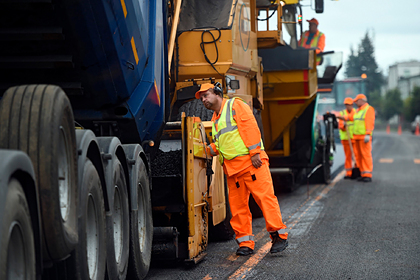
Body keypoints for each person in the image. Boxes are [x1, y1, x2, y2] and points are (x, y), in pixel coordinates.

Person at [195, 83, 288, 256]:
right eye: (201, 98)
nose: (203, 100)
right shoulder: (215, 119)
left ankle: (279, 236)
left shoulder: (235, 105)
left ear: (217, 93)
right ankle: (245, 243)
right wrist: (205, 150)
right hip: (233, 170)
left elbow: (251, 127)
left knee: (265, 200)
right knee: (238, 209)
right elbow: (222, 144)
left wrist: (254, 153)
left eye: (206, 95)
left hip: (252, 164)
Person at [338, 94, 375, 182]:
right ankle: (362, 173)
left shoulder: (368, 109)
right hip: (357, 137)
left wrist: (368, 133)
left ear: (361, 100)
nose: (355, 103)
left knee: (365, 155)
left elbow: (370, 122)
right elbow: (350, 118)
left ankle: (367, 174)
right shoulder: (358, 111)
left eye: (356, 101)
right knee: (359, 156)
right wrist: (340, 117)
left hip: (363, 137)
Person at [338, 97, 357, 179]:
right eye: (346, 105)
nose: (347, 106)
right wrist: (343, 126)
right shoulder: (342, 113)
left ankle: (357, 170)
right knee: (348, 156)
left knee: (356, 156)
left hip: (355, 138)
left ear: (352, 105)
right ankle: (348, 173)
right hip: (346, 139)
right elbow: (340, 125)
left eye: (348, 105)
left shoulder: (356, 113)